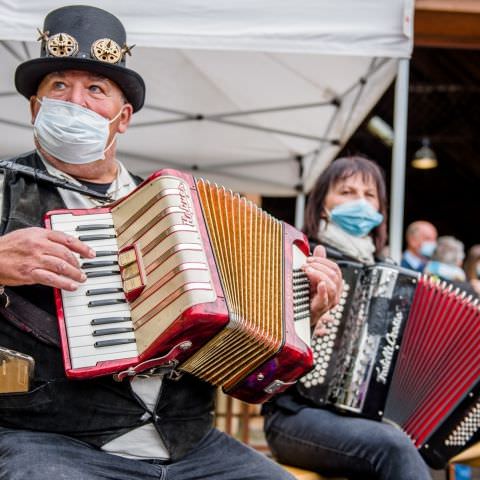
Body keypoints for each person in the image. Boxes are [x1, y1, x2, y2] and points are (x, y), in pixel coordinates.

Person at [0, 5, 342, 480]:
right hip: (55, 442)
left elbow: (245, 366)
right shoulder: (4, 191)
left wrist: (301, 313)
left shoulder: (179, 209)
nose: (74, 102)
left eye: (94, 89)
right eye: (58, 86)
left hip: (190, 445)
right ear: (36, 108)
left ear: (121, 119)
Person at [262, 156, 432, 480]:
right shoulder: (298, 259)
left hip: (364, 419)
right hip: (295, 415)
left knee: (420, 440)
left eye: (369, 196)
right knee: (394, 448)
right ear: (322, 204)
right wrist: (307, 327)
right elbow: (262, 356)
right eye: (346, 192)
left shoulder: (391, 273)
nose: (359, 203)